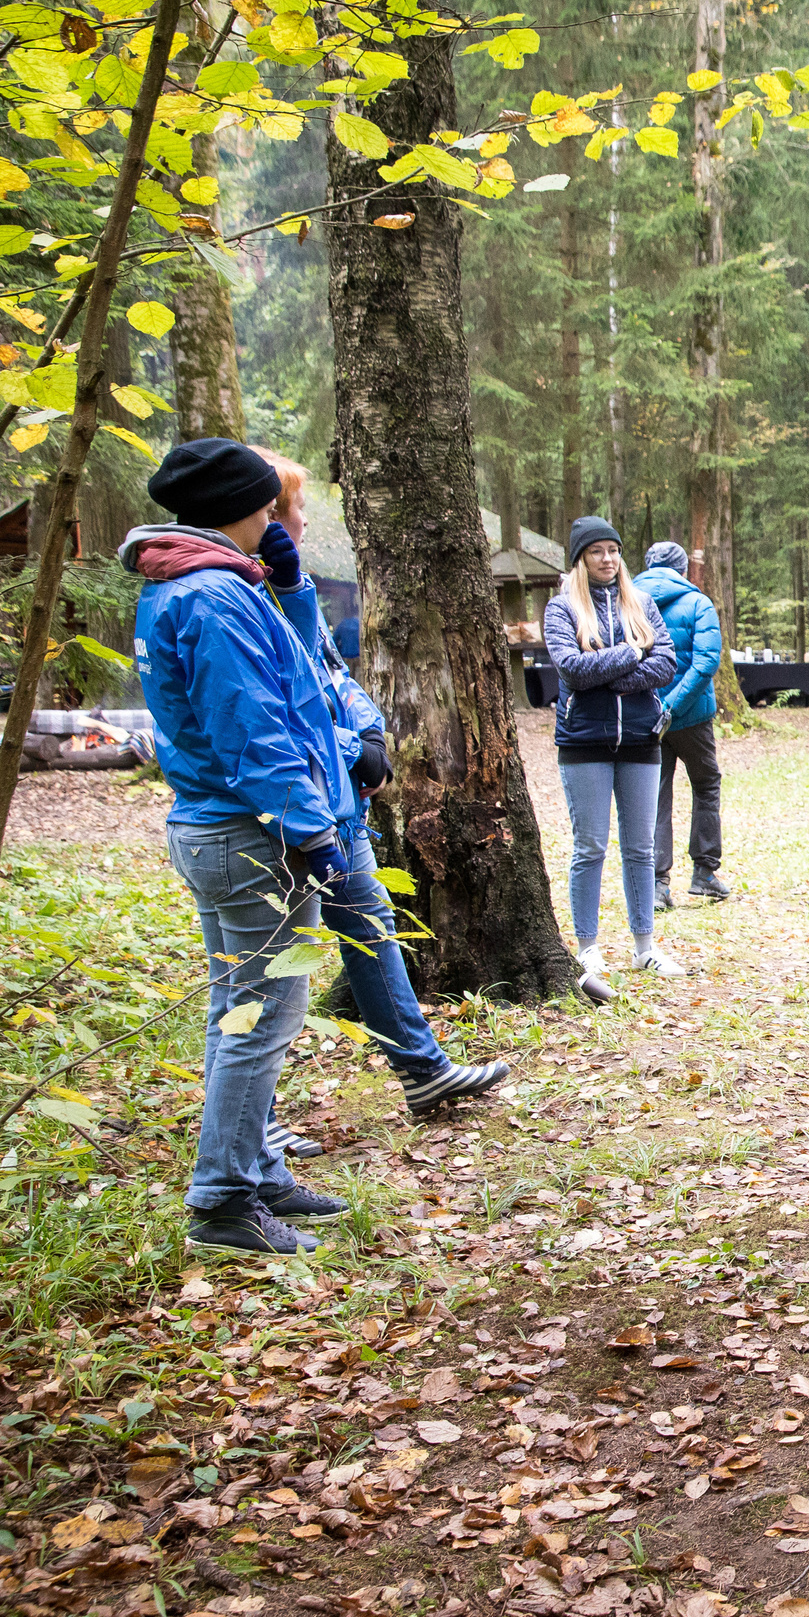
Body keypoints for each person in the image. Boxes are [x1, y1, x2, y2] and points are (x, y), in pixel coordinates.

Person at [123, 439, 353, 1258]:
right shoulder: (215, 596)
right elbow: (253, 728)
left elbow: (291, 683)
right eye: (266, 505)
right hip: (249, 834)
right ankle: (223, 1199)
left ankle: (255, 1168)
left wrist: (288, 590)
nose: (275, 518)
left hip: (216, 826)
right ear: (239, 508)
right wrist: (311, 830)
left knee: (240, 1009)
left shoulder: (186, 582)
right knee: (264, 1015)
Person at [246, 449, 510, 1149]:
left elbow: (333, 677)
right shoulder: (237, 598)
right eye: (294, 508)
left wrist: (367, 738)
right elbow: (274, 719)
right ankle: (252, 1125)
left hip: (336, 804)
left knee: (369, 925)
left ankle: (422, 1070)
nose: (303, 521)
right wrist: (347, 748)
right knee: (267, 974)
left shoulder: (288, 589)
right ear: (265, 515)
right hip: (289, 811)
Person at [545, 516, 682, 979]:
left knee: (641, 848)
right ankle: (587, 948)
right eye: (596, 551)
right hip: (584, 741)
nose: (607, 559)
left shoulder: (641, 603)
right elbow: (571, 669)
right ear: (580, 559)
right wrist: (633, 652)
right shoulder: (562, 609)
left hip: (641, 738)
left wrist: (608, 673)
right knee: (590, 847)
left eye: (614, 550)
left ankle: (645, 947)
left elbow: (666, 663)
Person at [634, 542, 728, 909]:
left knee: (655, 794)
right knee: (706, 785)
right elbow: (706, 662)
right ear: (683, 570)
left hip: (645, 715)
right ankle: (704, 873)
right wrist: (673, 707)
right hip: (692, 718)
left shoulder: (629, 603)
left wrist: (657, 706)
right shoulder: (698, 603)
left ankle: (657, 884)